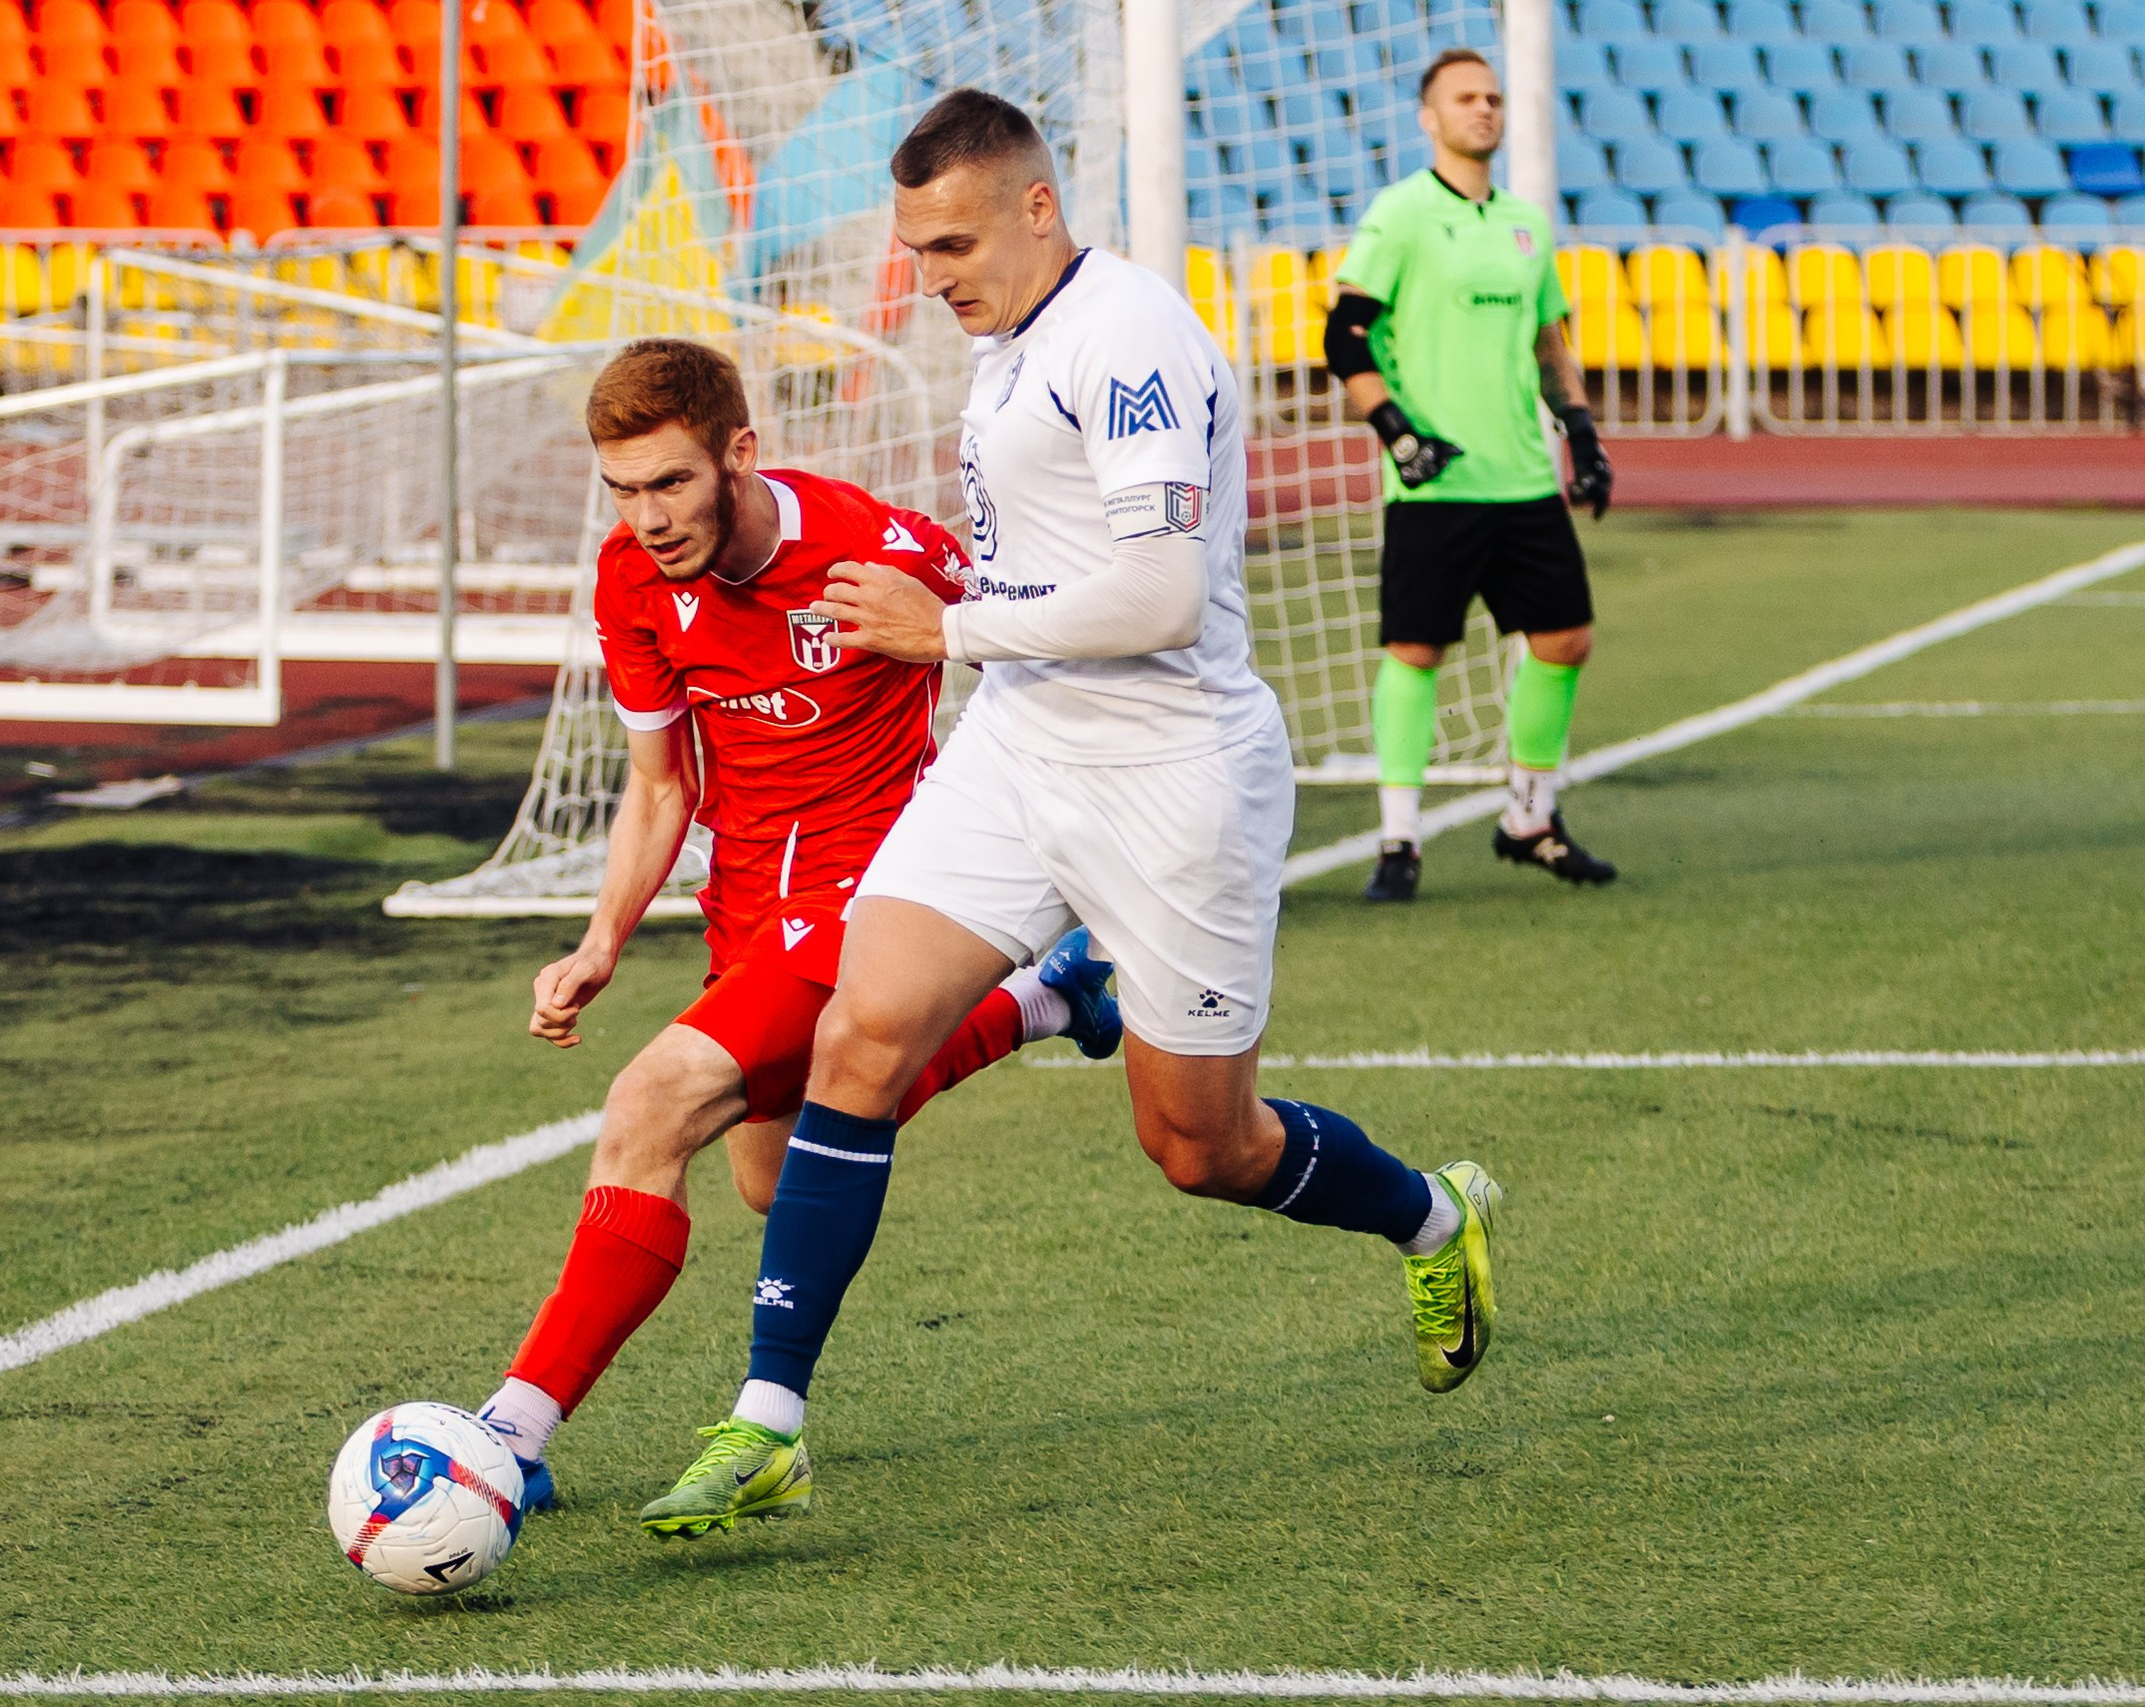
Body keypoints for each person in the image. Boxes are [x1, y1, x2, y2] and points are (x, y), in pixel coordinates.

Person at [636, 91, 1502, 1540]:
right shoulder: (1012, 341)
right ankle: (769, 1418)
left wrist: (951, 623)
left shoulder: (1128, 335)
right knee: (857, 1033)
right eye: (917, 250)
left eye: (956, 241)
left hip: (1171, 782)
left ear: (1041, 207)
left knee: (1198, 1146)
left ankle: (1431, 1214)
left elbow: (1162, 594)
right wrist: (957, 630)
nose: (934, 275)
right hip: (1021, 749)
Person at [470, 338, 1121, 1517]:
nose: (647, 517)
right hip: (746, 907)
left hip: (875, 892)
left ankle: (510, 1433)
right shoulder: (630, 580)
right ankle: (1040, 1005)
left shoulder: (875, 549)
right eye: (621, 489)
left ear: (738, 453)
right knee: (775, 1180)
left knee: (649, 1103)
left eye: (670, 483)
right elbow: (661, 786)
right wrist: (602, 938)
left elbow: (1046, 636)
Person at [1328, 47, 1619, 905]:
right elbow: (1344, 336)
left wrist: (1585, 436)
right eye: (1465, 98)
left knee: (1565, 640)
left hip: (1522, 477)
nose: (1484, 108)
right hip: (1437, 483)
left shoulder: (1527, 224)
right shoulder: (1403, 214)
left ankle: (1529, 817)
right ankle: (1398, 838)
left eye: (1492, 96)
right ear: (1430, 117)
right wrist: (1397, 433)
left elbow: (1548, 342)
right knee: (1417, 651)